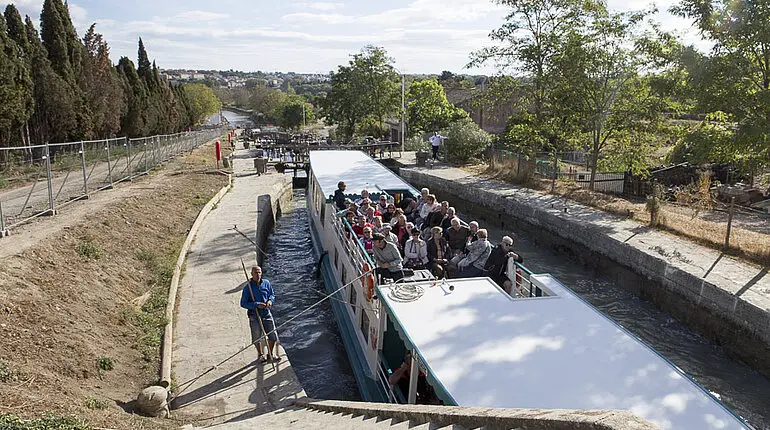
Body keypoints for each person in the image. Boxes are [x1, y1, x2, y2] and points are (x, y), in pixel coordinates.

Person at [240, 265, 280, 363]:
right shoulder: (247, 288)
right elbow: (243, 303)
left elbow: (272, 294)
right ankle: (260, 354)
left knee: (273, 335)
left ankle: (270, 354)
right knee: (257, 337)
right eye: (255, 273)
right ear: (252, 274)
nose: (258, 275)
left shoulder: (266, 283)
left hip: (266, 313)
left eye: (259, 272)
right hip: (255, 315)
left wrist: (270, 301)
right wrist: (256, 304)